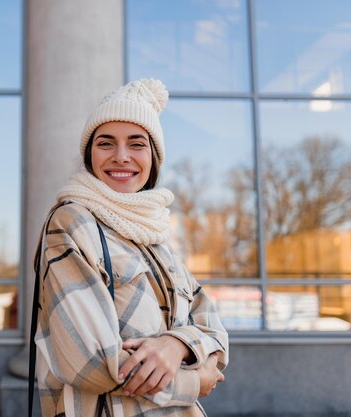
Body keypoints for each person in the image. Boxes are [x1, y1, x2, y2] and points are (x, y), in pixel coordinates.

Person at [33, 79, 229, 417]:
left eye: (136, 144)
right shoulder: (71, 223)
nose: (121, 157)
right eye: (106, 143)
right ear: (90, 154)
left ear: (153, 157)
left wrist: (176, 344)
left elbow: (215, 332)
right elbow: (91, 361)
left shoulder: (155, 237)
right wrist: (194, 381)